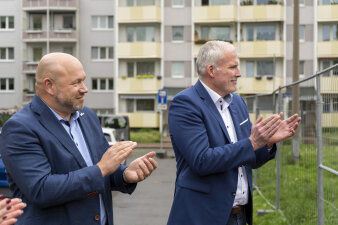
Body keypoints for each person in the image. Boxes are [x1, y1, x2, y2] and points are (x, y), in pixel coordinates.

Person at [0, 52, 158, 225]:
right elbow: (41, 189)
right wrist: (102, 169)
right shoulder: (21, 127)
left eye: (83, 80)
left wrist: (125, 174)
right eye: (76, 83)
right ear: (49, 86)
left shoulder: (87, 116)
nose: (85, 88)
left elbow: (102, 169)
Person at [167, 41, 301, 225]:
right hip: (201, 216)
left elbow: (249, 158)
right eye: (233, 67)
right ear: (211, 70)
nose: (239, 73)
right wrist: (253, 142)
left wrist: (267, 143)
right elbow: (202, 160)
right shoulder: (185, 104)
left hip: (239, 216)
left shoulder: (237, 103)